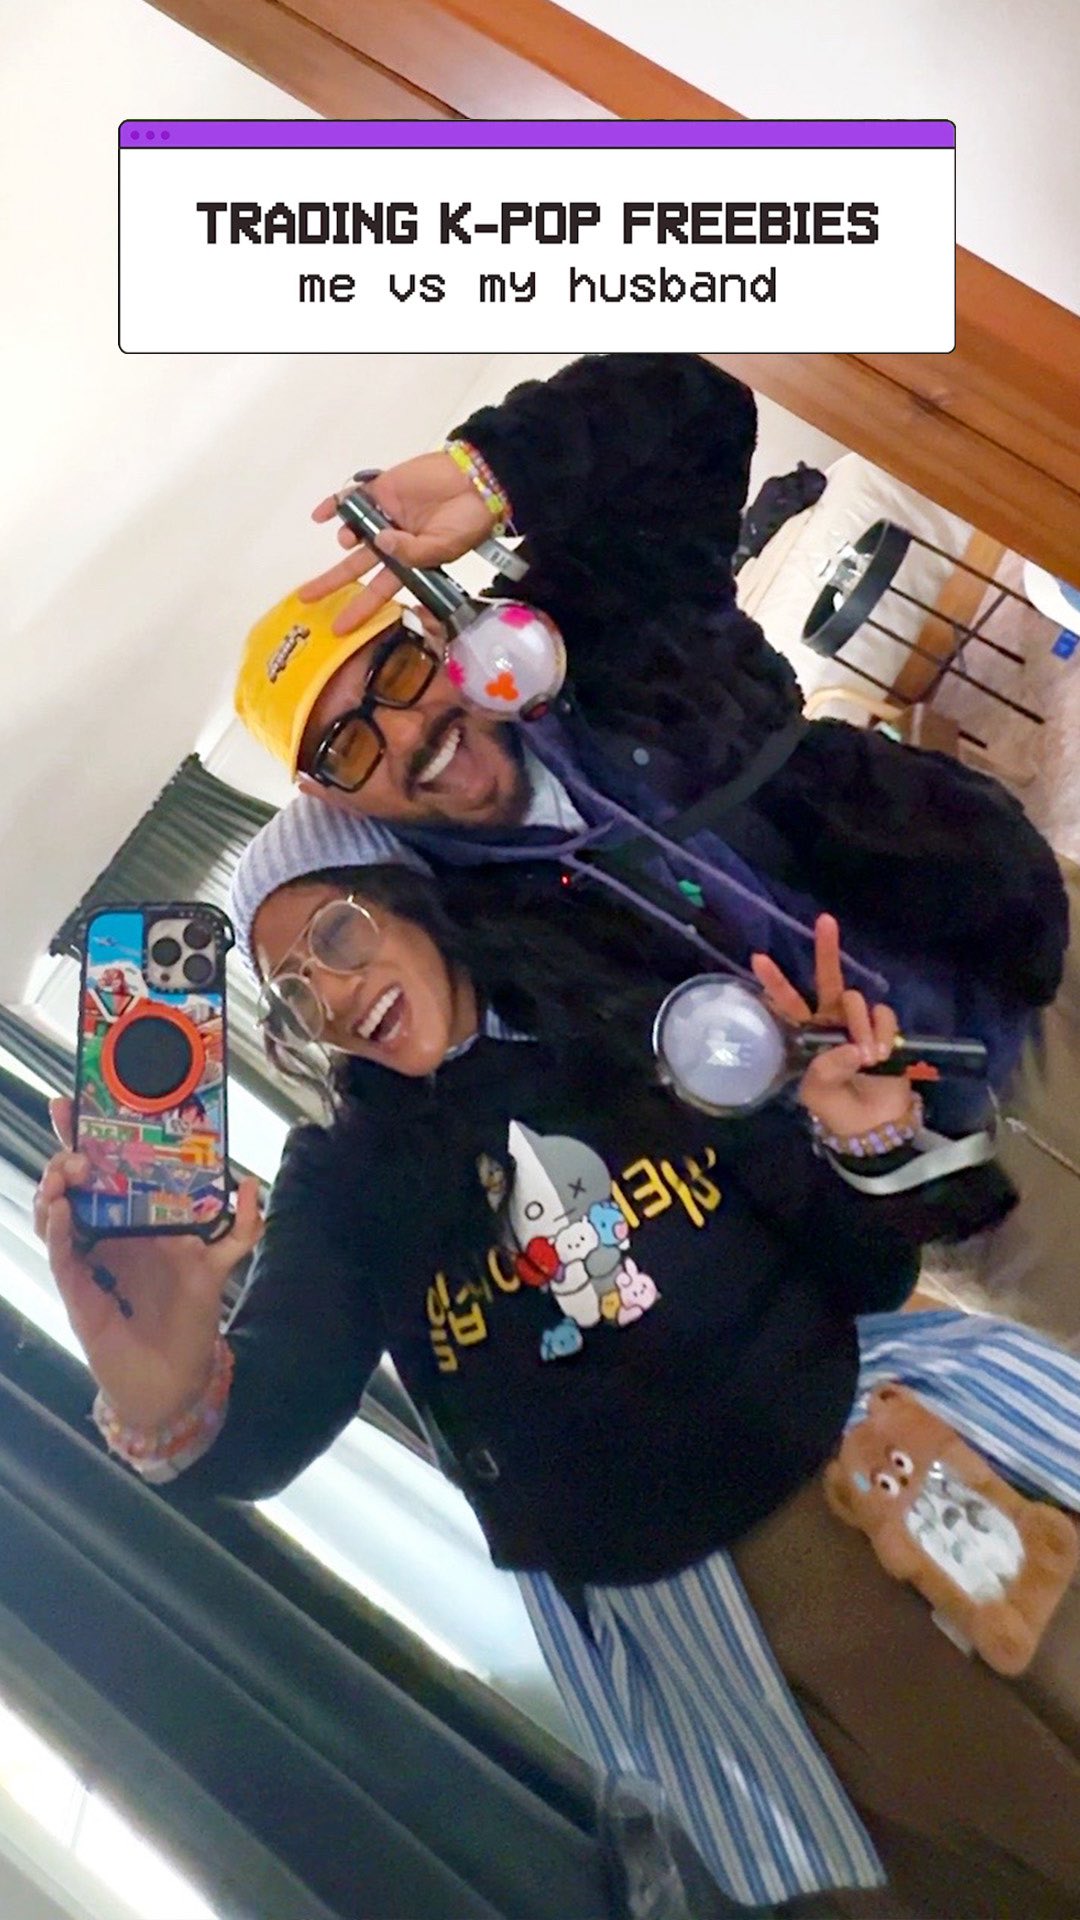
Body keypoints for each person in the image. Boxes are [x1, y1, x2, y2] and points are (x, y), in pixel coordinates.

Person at [36, 799, 1080, 1918]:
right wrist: (164, 1383)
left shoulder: (615, 1010)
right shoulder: (344, 1180)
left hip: (886, 1461)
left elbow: (864, 1269)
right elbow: (266, 1422)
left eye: (337, 935)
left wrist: (853, 1137)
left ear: (410, 899)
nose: (332, 995)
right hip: (723, 1643)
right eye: (294, 993)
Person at [233, 352, 1080, 1339]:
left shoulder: (613, 622)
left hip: (1034, 947)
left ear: (438, 631)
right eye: (347, 745)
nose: (410, 731)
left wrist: (492, 472)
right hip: (958, 1181)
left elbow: (699, 405)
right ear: (326, 792)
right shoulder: (475, 953)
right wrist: (861, 1150)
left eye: (397, 672)